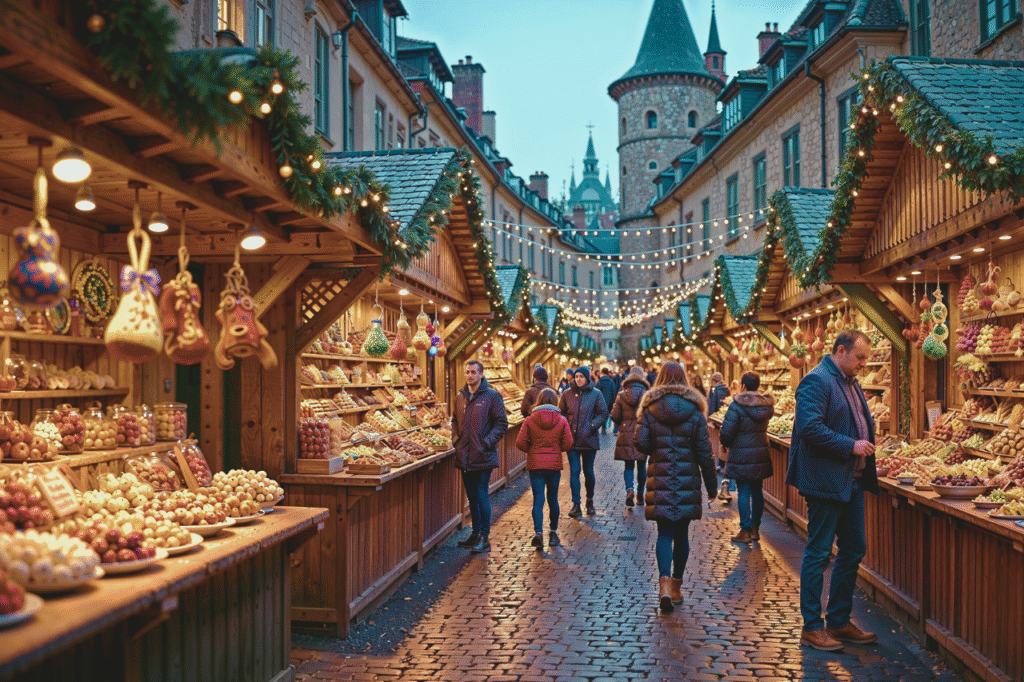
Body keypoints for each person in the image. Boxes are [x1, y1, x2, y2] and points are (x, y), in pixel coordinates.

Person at [787, 329, 879, 652]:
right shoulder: (817, 380)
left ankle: (838, 620)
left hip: (851, 482)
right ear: (840, 350)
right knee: (819, 551)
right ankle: (812, 627)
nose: (863, 364)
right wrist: (851, 445)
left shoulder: (850, 382)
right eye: (860, 358)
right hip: (826, 482)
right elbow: (810, 428)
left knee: (854, 548)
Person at [635, 361, 718, 613]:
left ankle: (663, 586)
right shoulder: (694, 410)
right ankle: (677, 587)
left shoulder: (649, 408)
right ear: (684, 378)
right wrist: (712, 486)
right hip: (686, 479)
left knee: (664, 534)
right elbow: (705, 452)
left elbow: (640, 443)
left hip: (660, 476)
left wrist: (657, 448)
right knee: (682, 535)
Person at [452, 360, 508, 553]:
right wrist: (455, 440)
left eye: (473, 372)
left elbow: (501, 423)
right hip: (465, 454)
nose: (469, 375)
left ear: (481, 374)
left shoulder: (492, 396)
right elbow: (454, 420)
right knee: (472, 496)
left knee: (482, 494)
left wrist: (486, 443)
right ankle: (475, 533)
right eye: (467, 372)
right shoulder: (460, 397)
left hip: (483, 455)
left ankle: (484, 537)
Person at [719, 372, 775, 543]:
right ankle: (755, 528)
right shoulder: (766, 406)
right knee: (757, 491)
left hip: (741, 454)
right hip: (760, 454)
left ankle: (744, 530)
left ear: (743, 385)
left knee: (743, 491)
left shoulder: (736, 405)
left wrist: (726, 442)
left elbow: (726, 433)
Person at [516, 388, 573, 548]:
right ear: (555, 401)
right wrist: (555, 450)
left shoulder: (529, 420)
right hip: (554, 465)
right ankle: (553, 533)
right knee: (553, 499)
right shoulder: (561, 420)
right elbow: (568, 443)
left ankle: (538, 533)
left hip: (536, 466)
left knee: (538, 499)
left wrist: (533, 451)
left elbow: (520, 442)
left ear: (538, 400)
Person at [558, 367, 609, 517]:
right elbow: (561, 413)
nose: (579, 379)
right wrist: (566, 425)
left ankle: (590, 500)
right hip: (572, 440)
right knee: (574, 472)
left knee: (588, 472)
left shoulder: (596, 394)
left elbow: (603, 413)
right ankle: (576, 504)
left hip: (589, 438)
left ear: (587, 378)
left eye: (581, 376)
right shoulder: (567, 394)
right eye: (576, 376)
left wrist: (592, 426)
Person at [610, 366, 650, 508]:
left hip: (626, 434)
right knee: (641, 465)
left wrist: (624, 423)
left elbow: (615, 416)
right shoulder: (647, 395)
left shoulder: (621, 395)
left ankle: (629, 490)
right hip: (642, 434)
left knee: (628, 465)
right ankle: (640, 494)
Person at [596, 368, 618, 434]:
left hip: (601, 401)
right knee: (608, 415)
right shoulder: (611, 381)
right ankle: (607, 427)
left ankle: (602, 427)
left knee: (600, 414)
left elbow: (596, 391)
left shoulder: (600, 381)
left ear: (602, 373)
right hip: (609, 402)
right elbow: (614, 391)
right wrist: (613, 400)